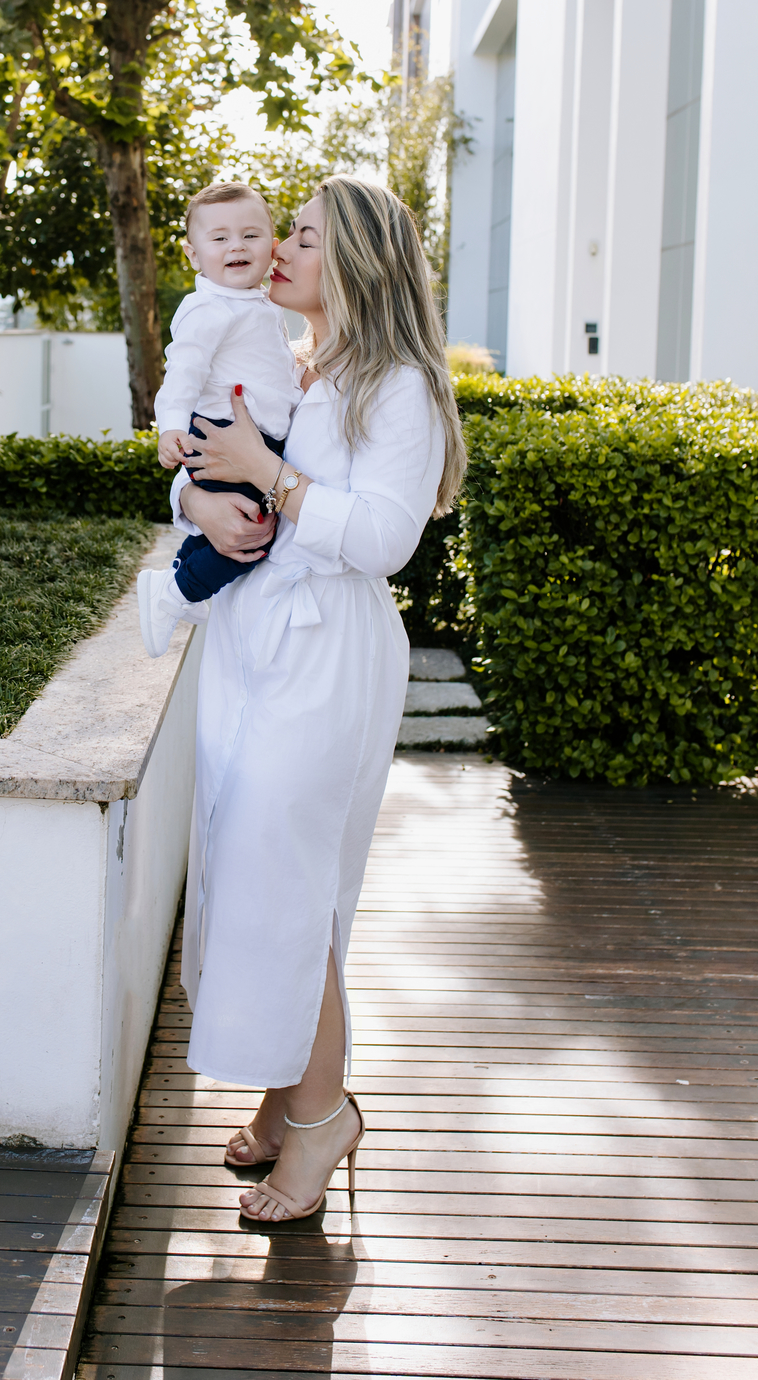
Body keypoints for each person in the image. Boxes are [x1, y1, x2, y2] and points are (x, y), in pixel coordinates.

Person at [171, 174, 466, 1224]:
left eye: (303, 235)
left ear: (355, 263)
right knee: (248, 874)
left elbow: (383, 539)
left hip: (328, 651)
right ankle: (277, 1092)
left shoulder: (399, 388)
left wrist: (270, 476)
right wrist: (200, 498)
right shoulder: (295, 363)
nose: (280, 248)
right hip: (253, 646)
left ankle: (322, 1120)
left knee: (289, 886)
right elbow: (210, 463)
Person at [137, 182, 302, 657]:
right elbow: (182, 370)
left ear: (272, 246)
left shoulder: (260, 302)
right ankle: (178, 592)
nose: (236, 246)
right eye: (220, 238)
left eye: (250, 235)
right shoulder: (209, 307)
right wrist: (171, 426)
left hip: (254, 439)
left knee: (234, 522)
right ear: (193, 254)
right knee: (254, 534)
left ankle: (177, 575)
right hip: (223, 435)